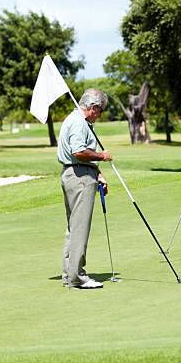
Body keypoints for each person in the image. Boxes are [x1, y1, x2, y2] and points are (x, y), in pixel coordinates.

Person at [58, 89, 112, 289]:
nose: (100, 115)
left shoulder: (74, 120)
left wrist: (97, 172)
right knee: (80, 228)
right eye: (100, 111)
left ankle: (69, 274)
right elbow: (79, 151)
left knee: (73, 228)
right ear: (94, 107)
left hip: (76, 174)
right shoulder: (79, 123)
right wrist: (102, 156)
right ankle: (77, 277)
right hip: (79, 177)